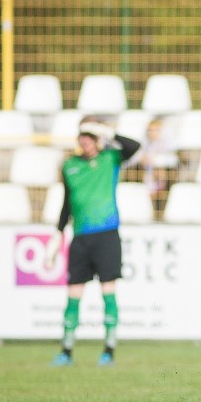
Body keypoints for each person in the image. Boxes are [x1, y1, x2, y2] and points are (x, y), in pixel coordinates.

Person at [46, 116, 141, 367]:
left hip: (106, 235)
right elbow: (66, 204)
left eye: (91, 136)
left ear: (98, 139)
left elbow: (134, 147)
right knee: (73, 293)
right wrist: (57, 238)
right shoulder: (69, 166)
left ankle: (109, 350)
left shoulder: (110, 159)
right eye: (82, 135)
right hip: (80, 238)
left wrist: (107, 131)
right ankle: (66, 350)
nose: (85, 141)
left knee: (107, 291)